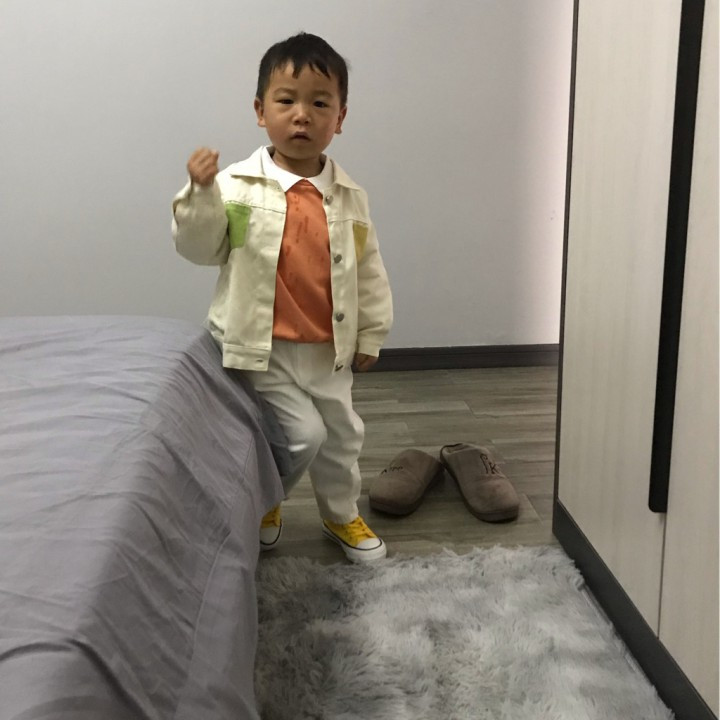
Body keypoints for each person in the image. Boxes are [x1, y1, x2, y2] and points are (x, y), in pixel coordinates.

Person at [172, 32, 393, 563]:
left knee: (341, 438)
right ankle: (266, 500)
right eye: (286, 100)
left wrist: (371, 332)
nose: (302, 116)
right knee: (302, 435)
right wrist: (200, 193)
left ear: (340, 118)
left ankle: (340, 514)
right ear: (260, 111)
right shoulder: (235, 185)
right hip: (262, 349)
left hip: (327, 349)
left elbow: (367, 270)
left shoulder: (350, 197)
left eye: (320, 103)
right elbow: (200, 248)